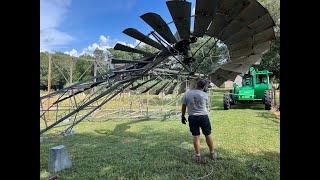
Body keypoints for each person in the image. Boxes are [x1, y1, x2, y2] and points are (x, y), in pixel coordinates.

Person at [181, 79, 218, 163]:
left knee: (196, 136)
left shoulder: (187, 93)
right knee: (208, 134)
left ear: (196, 85)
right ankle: (212, 153)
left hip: (193, 117)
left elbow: (184, 106)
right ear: (203, 87)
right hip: (203, 116)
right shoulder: (205, 95)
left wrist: (182, 116)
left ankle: (198, 155)